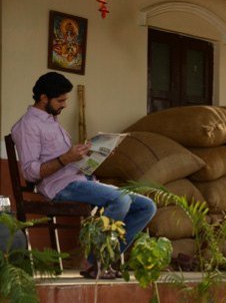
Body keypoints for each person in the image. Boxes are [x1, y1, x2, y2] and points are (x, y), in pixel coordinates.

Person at [10, 72, 156, 278]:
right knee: (121, 199)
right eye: (60, 100)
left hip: (78, 179)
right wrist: (66, 158)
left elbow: (65, 158)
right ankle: (94, 264)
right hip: (59, 187)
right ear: (43, 98)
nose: (65, 105)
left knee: (147, 206)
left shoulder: (51, 121)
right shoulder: (28, 126)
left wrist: (95, 152)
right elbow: (31, 172)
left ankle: (105, 259)